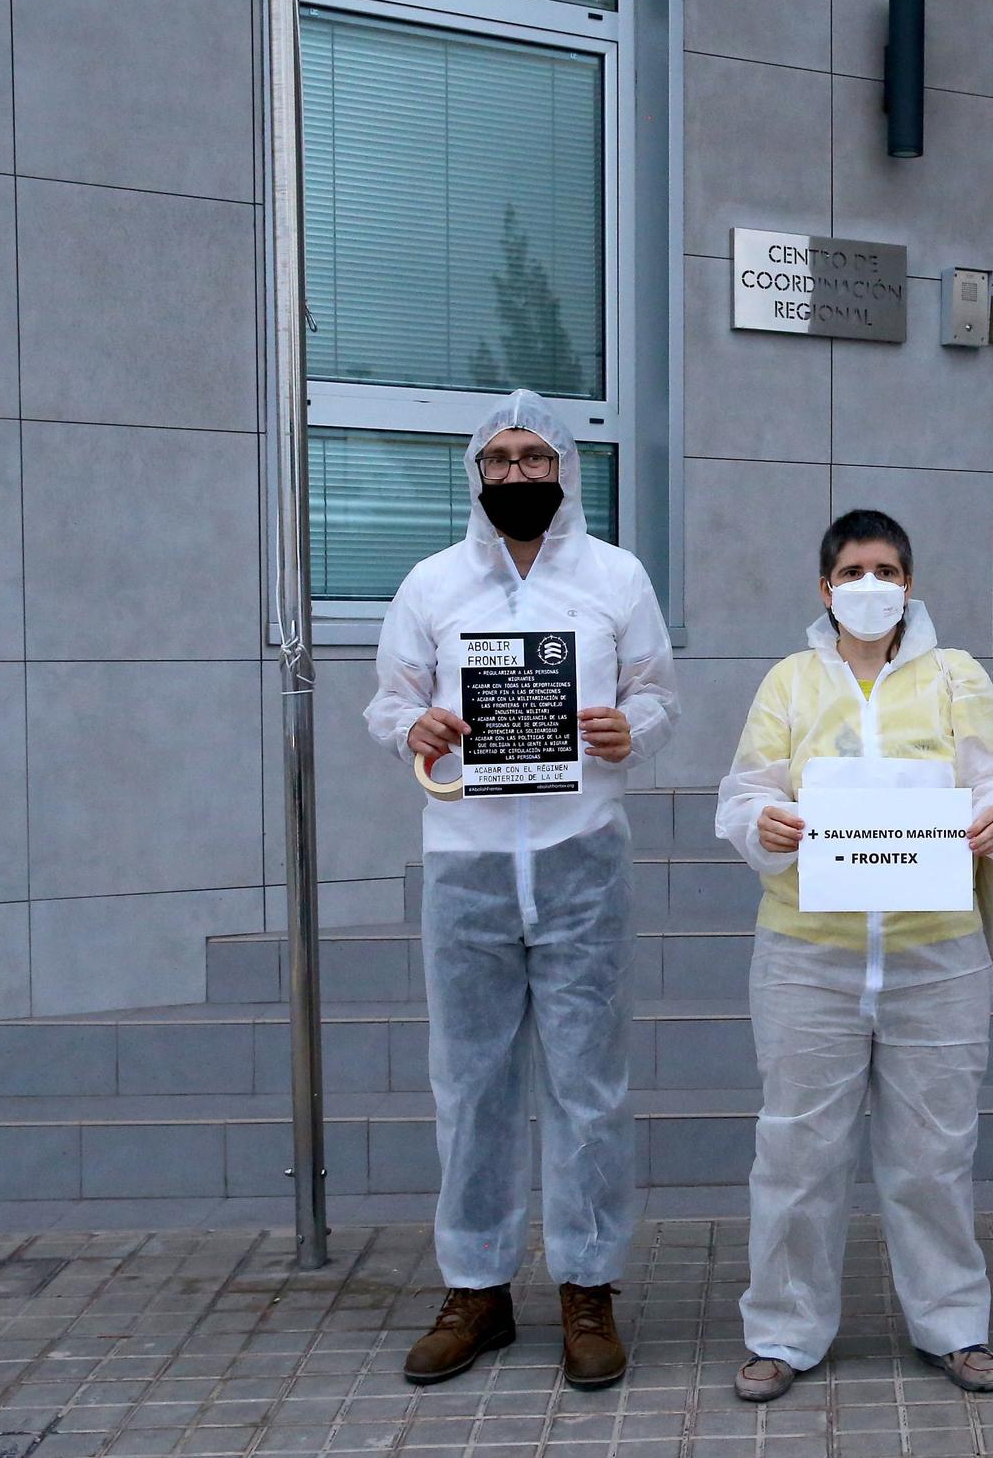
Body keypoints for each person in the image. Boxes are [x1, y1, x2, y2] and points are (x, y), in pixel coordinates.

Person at [365, 389, 677, 1389]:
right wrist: (413, 729)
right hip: (467, 860)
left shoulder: (615, 578)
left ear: (565, 471)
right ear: (476, 473)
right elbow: (389, 698)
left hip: (582, 854)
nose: (515, 475)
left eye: (533, 458)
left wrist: (637, 727)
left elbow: (657, 692)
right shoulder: (431, 583)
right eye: (498, 460)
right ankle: (477, 1288)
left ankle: (587, 1288)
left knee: (587, 1083)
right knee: (469, 1082)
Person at [715, 509, 993, 1403]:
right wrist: (762, 825)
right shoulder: (789, 682)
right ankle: (782, 1332)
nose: (872, 585)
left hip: (936, 956)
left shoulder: (956, 677)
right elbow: (743, 795)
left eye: (888, 570)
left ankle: (953, 1326)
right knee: (795, 1152)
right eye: (854, 570)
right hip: (806, 955)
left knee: (933, 1153)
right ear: (825, 587)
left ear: (911, 581)